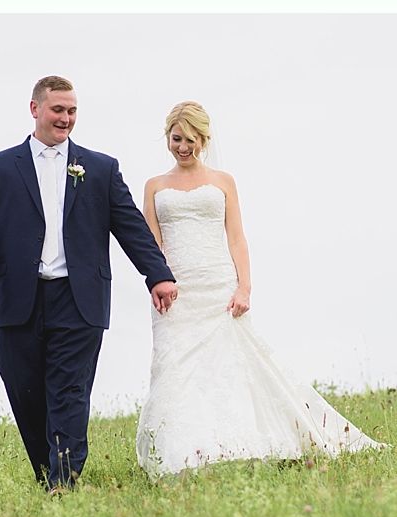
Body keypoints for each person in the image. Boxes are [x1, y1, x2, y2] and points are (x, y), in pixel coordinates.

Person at [135, 101, 381, 478]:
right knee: (175, 368)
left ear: (204, 139)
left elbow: (237, 238)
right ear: (167, 137)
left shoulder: (223, 182)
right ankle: (179, 455)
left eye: (192, 139)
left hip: (217, 284)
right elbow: (151, 243)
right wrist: (156, 281)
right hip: (175, 291)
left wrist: (244, 287)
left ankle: (243, 442)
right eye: (177, 138)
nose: (183, 147)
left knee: (228, 366)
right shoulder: (155, 186)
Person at [0, 76, 178, 493]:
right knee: (24, 391)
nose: (66, 118)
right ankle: (48, 475)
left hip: (79, 298)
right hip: (17, 299)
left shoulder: (100, 168)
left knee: (70, 391)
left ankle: (64, 482)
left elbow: (130, 226)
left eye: (72, 111)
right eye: (58, 109)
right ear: (35, 109)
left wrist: (159, 274)